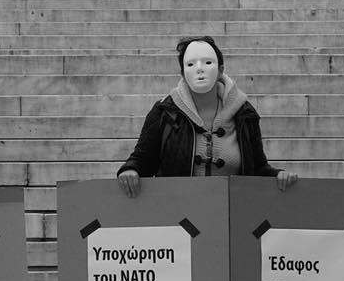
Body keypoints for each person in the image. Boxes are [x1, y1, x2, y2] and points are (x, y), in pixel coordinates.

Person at [118, 35, 295, 195]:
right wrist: (130, 170)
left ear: (220, 70)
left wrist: (278, 175)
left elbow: (257, 167)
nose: (200, 69)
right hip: (179, 211)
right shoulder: (165, 112)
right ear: (182, 73)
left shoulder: (245, 114)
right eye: (191, 64)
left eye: (208, 63)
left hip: (232, 215)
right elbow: (142, 160)